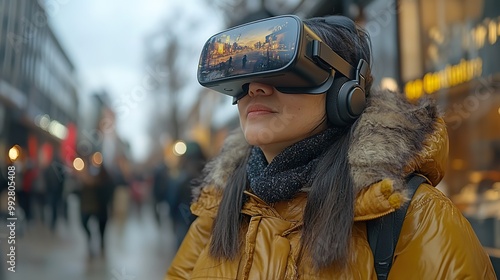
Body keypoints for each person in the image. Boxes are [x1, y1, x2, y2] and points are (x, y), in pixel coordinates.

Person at [166, 15, 496, 279]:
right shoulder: (217, 210)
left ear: (347, 92)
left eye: (286, 70)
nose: (255, 88)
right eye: (244, 77)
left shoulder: (415, 216)